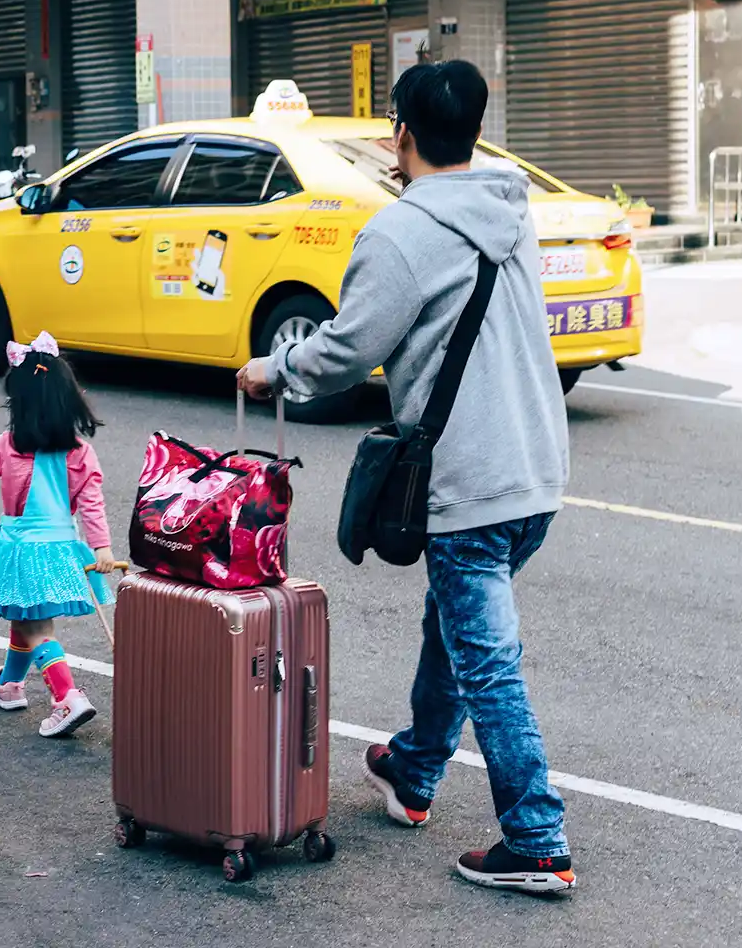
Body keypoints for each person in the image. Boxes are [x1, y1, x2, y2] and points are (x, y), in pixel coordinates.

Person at [239, 60, 574, 894]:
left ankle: (536, 838)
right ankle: (416, 769)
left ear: (402, 133)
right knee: (455, 624)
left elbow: (351, 347)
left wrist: (272, 370)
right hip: (537, 473)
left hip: (472, 484)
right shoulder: (508, 209)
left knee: (487, 659)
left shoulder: (399, 234)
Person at [0, 331, 119, 738]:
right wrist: (100, 547)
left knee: (36, 629)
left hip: (21, 550)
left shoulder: (10, 444)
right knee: (26, 616)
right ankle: (9, 685)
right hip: (62, 551)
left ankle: (67, 696)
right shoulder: (80, 452)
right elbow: (92, 503)